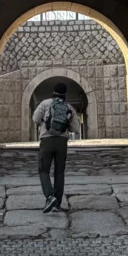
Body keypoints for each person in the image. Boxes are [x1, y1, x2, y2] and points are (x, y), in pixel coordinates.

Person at [32, 82, 80, 213]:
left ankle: (49, 196)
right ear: (65, 93)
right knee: (59, 172)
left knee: (44, 170)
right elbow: (75, 128)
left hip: (46, 140)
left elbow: (35, 119)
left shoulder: (45, 103)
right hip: (61, 143)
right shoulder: (69, 107)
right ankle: (57, 203)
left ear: (53, 91)